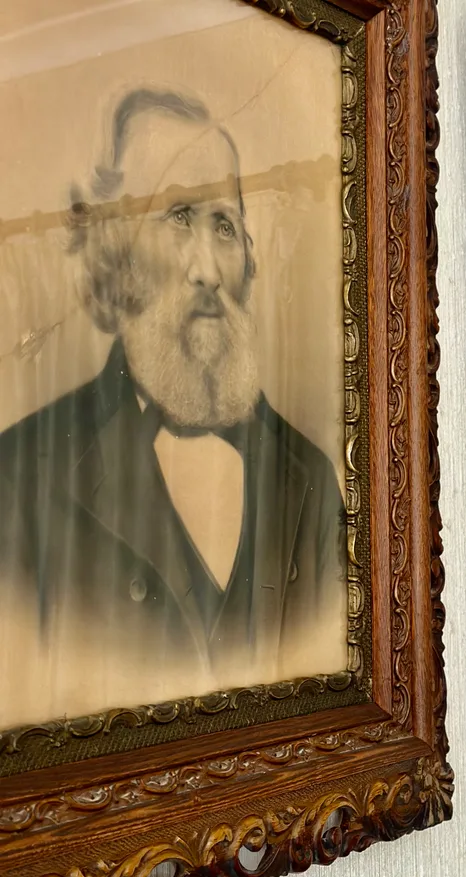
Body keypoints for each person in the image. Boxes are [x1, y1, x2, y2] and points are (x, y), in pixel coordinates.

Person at [0, 87, 347, 697]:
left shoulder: (310, 483)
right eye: (179, 216)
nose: (208, 269)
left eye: (225, 226)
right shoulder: (18, 479)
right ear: (116, 251)